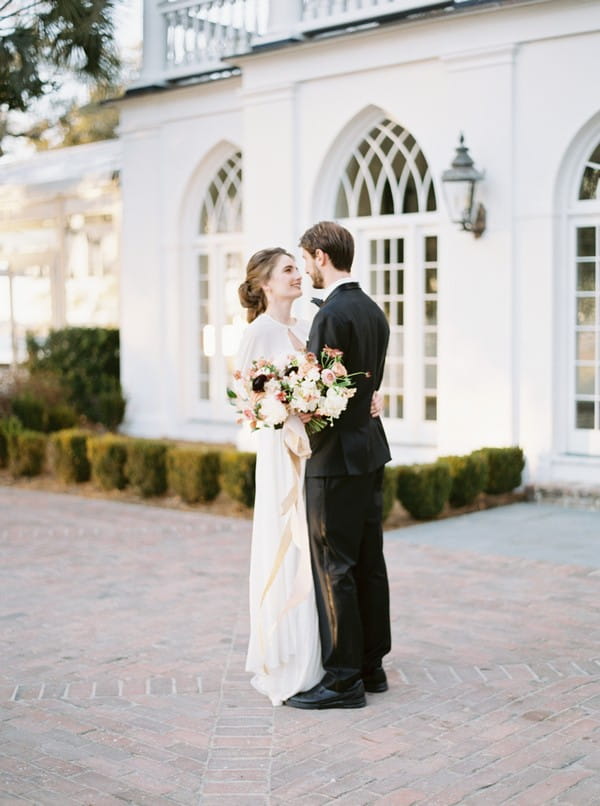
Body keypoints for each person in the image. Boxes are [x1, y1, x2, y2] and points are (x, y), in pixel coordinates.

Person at [286, 221, 392, 710]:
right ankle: (372, 667)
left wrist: (284, 406)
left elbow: (318, 397)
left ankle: (342, 680)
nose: (305, 267)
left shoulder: (331, 315)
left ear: (320, 257)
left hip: (334, 457)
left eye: (305, 259)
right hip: (370, 450)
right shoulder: (373, 311)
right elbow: (363, 390)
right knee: (368, 560)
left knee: (335, 565)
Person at [236, 248, 324, 706]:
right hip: (279, 453)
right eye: (288, 270)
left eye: (297, 267)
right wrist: (284, 409)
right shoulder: (258, 332)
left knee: (311, 544)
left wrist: (315, 403)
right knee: (283, 541)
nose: (298, 275)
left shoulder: (308, 326)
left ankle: (315, 653)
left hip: (313, 449)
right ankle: (285, 655)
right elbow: (244, 399)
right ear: (266, 284)